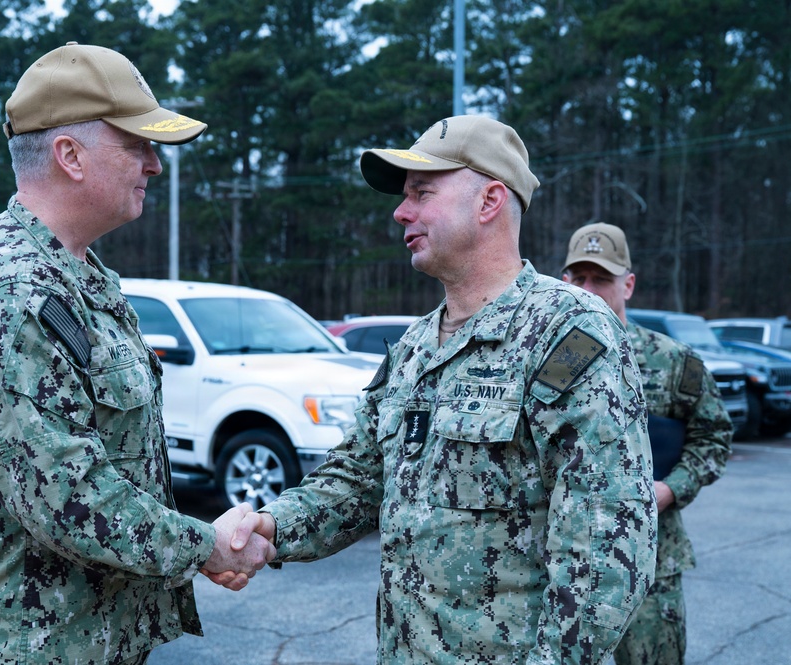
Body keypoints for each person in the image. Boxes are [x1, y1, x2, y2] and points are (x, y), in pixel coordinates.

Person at [211, 115, 658, 663]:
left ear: (489, 201)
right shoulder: (414, 348)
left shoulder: (567, 334)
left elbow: (606, 545)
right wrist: (270, 526)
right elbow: (358, 479)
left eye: (422, 193)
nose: (401, 212)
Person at [0, 42, 273, 665]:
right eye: (137, 145)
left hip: (86, 638)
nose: (155, 165)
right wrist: (207, 546)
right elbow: (66, 497)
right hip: (28, 645)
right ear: (70, 156)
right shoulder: (13, 292)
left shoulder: (76, 277)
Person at [561, 222, 732, 665]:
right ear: (564, 282)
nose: (589, 290)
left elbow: (713, 437)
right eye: (579, 278)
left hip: (650, 562)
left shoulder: (673, 362)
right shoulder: (553, 365)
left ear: (628, 284)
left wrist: (671, 489)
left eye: (601, 278)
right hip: (565, 565)